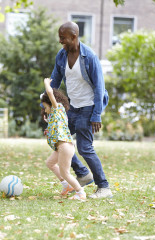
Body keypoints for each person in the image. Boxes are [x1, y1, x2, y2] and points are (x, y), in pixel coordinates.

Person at [49, 21, 112, 198]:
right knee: (58, 139)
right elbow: (54, 81)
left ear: (74, 37)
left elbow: (100, 87)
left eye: (63, 38)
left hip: (88, 106)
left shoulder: (89, 57)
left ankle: (104, 187)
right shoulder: (62, 56)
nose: (61, 42)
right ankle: (83, 173)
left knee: (84, 148)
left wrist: (96, 114)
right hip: (72, 108)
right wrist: (45, 104)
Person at [42, 77, 86, 200]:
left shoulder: (57, 108)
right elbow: (55, 127)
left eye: (46, 107)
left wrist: (46, 84)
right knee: (50, 163)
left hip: (65, 147)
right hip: (61, 147)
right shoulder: (54, 117)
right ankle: (66, 186)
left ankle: (80, 192)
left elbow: (50, 94)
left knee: (65, 172)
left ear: (52, 103)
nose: (45, 110)